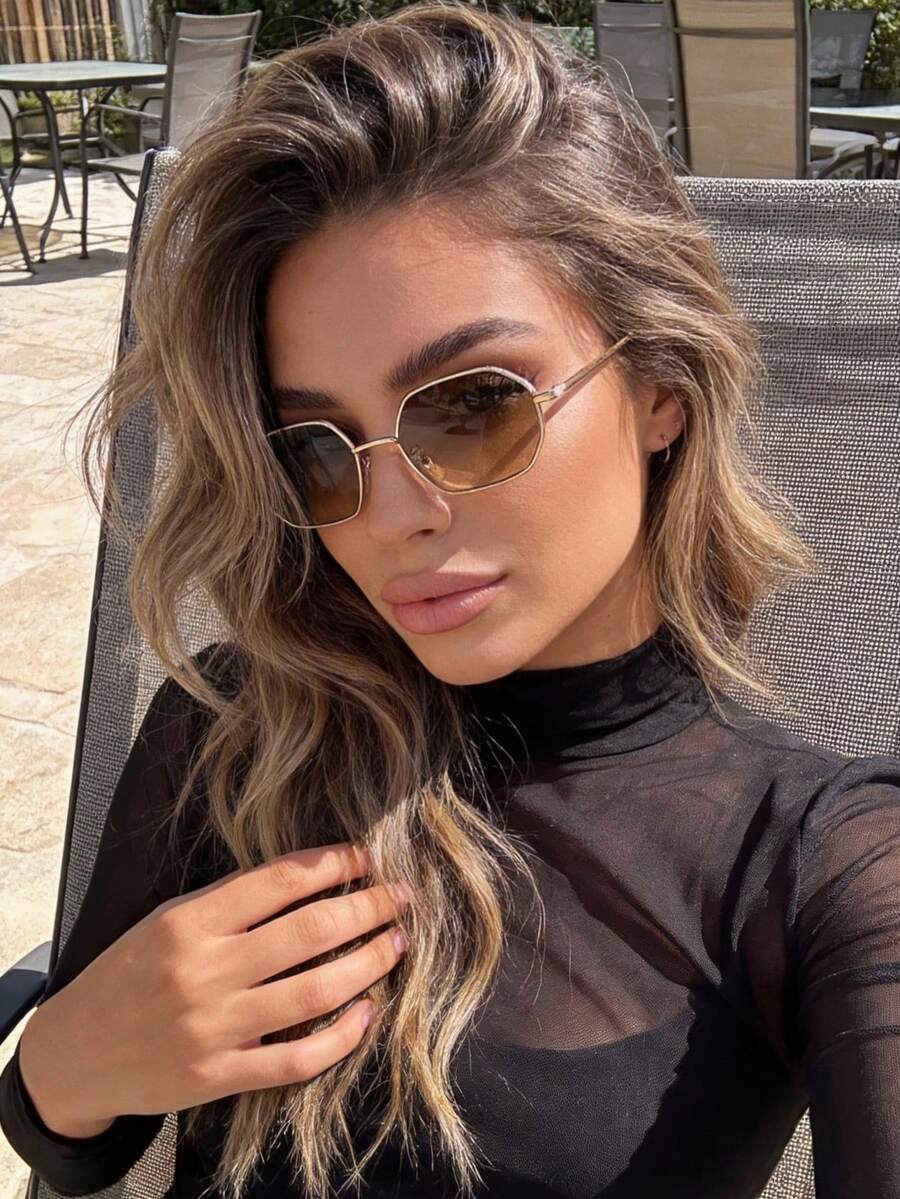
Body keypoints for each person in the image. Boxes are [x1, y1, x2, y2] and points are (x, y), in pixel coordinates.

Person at [2, 3, 899, 1198]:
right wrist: (69, 1056)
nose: (388, 516)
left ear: (662, 386)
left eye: (473, 406)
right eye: (317, 448)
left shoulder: (819, 868)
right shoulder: (240, 731)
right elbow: (70, 1137)